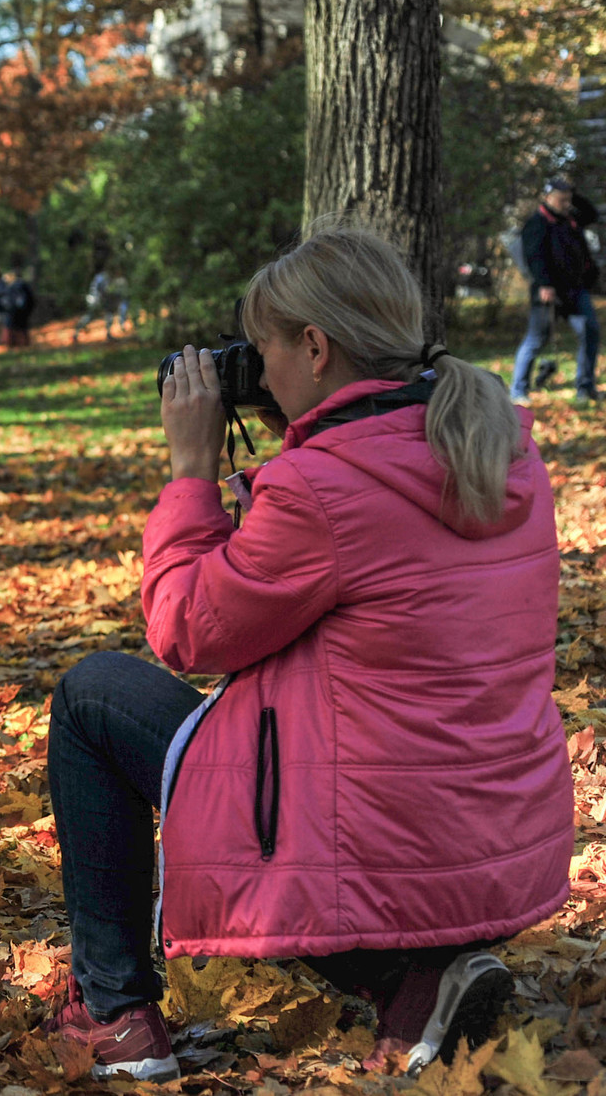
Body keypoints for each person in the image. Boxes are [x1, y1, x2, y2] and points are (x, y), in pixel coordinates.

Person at [43, 226, 573, 1082]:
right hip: (497, 839)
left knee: (93, 696)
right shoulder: (501, 442)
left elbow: (185, 628)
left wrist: (191, 471)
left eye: (264, 350)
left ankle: (117, 1014)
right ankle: (420, 978)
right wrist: (293, 454)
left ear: (315, 347)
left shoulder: (322, 490)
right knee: (326, 789)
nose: (257, 367)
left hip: (387, 840)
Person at [509, 176, 599, 404]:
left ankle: (585, 388)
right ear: (548, 198)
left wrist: (572, 192)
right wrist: (544, 284)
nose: (566, 204)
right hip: (548, 292)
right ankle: (518, 390)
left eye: (568, 199)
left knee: (590, 331)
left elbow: (592, 214)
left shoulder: (571, 219)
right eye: (561, 199)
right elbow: (534, 257)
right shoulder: (537, 223)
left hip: (576, 290)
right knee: (536, 339)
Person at [0, 267, 34, 347]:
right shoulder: (24, 286)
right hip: (21, 315)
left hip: (14, 314)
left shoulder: (15, 286)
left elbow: (14, 301)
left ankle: (14, 347)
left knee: (12, 334)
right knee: (21, 332)